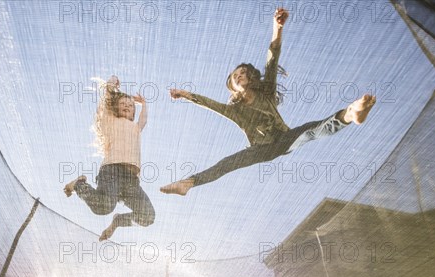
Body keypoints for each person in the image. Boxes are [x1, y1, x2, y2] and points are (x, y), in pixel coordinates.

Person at [161, 8, 376, 196]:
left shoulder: (267, 92)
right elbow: (212, 105)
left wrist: (277, 28)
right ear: (233, 87)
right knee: (229, 163)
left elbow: (272, 60)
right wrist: (187, 95)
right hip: (261, 149)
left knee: (310, 132)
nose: (239, 76)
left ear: (251, 77)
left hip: (285, 139)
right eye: (235, 76)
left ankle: (350, 113)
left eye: (243, 73)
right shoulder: (236, 111)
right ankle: (189, 183)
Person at [64, 76, 155, 241]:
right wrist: (110, 85)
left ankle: (119, 221)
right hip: (112, 171)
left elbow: (144, 119)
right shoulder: (110, 121)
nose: (127, 105)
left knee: (147, 216)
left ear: (134, 112)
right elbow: (106, 100)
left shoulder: (136, 128)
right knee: (104, 207)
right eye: (123, 104)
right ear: (116, 108)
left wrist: (144, 104)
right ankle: (79, 185)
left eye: (130, 105)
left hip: (131, 179)